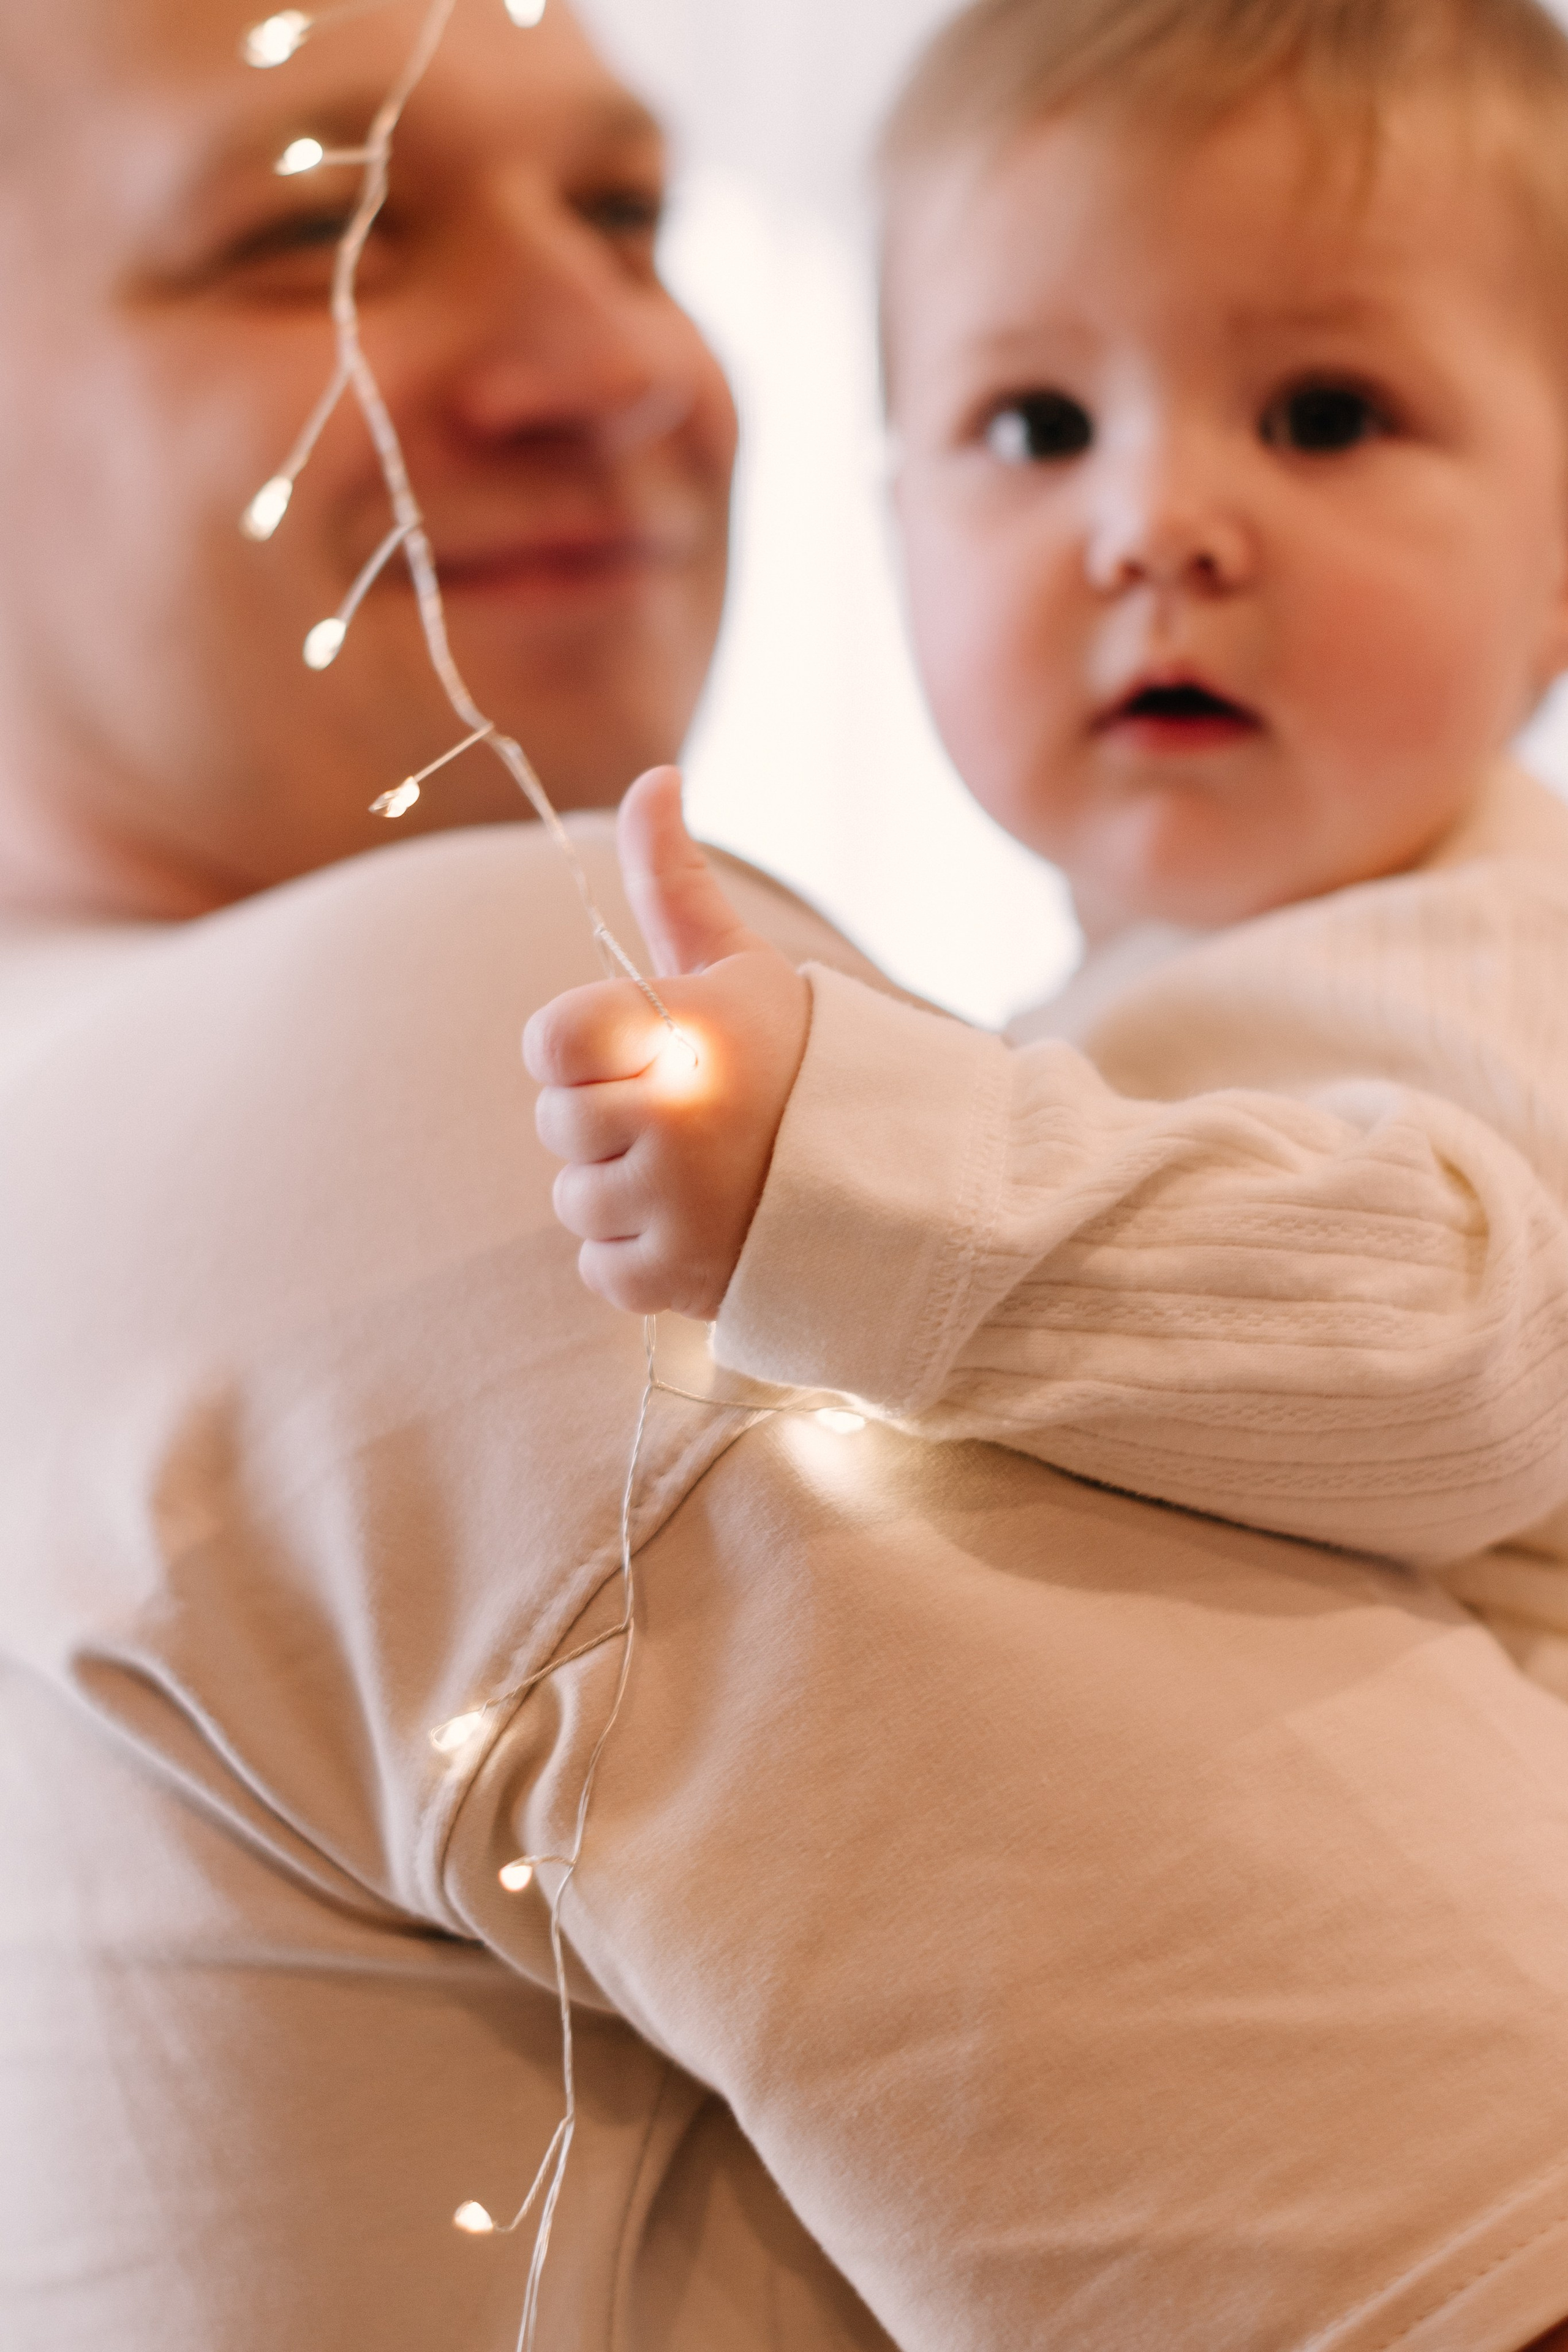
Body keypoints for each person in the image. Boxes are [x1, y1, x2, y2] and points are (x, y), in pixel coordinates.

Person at [7, 2, 1568, 2349]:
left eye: (626, 212)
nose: (618, 360)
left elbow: (1466, 1335)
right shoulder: (487, 1060)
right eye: (317, 234)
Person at [529, 0, 1568, 1700]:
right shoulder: (1183, 977)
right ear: (900, 532)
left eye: (1321, 414)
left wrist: (846, 1168)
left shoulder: (1499, 940)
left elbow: (1470, 1361)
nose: (1153, 525)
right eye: (1037, 426)